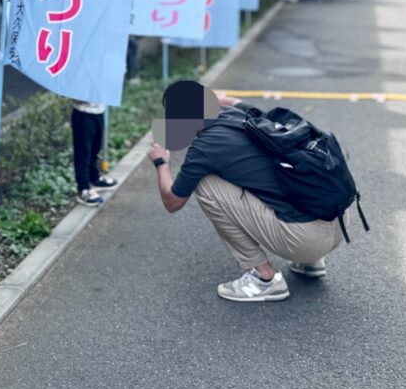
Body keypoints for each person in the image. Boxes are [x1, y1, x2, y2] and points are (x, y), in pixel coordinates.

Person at [146, 81, 345, 303]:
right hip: (334, 229)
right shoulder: (239, 114)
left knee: (206, 185)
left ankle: (264, 279)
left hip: (302, 241)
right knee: (262, 175)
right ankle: (312, 261)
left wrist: (161, 162)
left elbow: (173, 202)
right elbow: (234, 102)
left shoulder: (204, 148)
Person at [71, 101, 118, 206]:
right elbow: (74, 95)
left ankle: (94, 179)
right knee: (83, 153)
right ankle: (83, 188)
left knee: (95, 149)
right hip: (83, 114)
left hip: (99, 112)